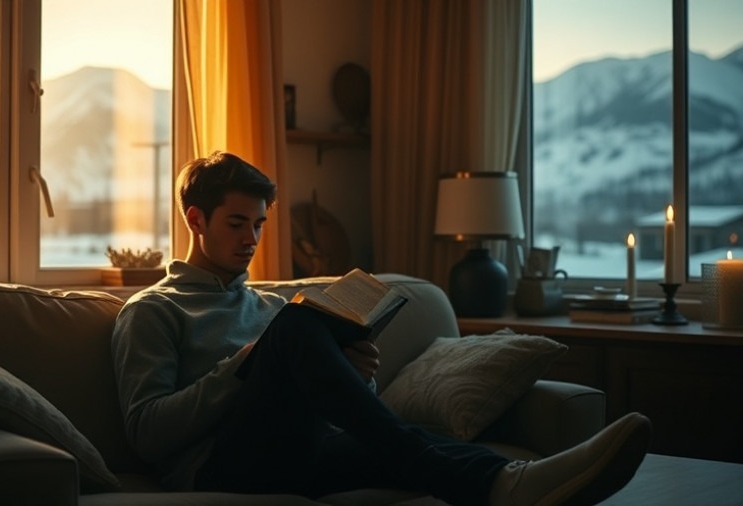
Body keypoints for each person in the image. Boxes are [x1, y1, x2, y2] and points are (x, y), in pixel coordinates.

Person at [111, 151, 652, 505]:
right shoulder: (153, 310)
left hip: (302, 450)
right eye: (236, 223)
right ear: (195, 219)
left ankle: (513, 480)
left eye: (259, 224)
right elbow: (148, 434)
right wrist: (243, 366)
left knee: (418, 447)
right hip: (218, 468)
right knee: (300, 325)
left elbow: (326, 401)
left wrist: (355, 373)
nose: (251, 239)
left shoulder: (265, 302)